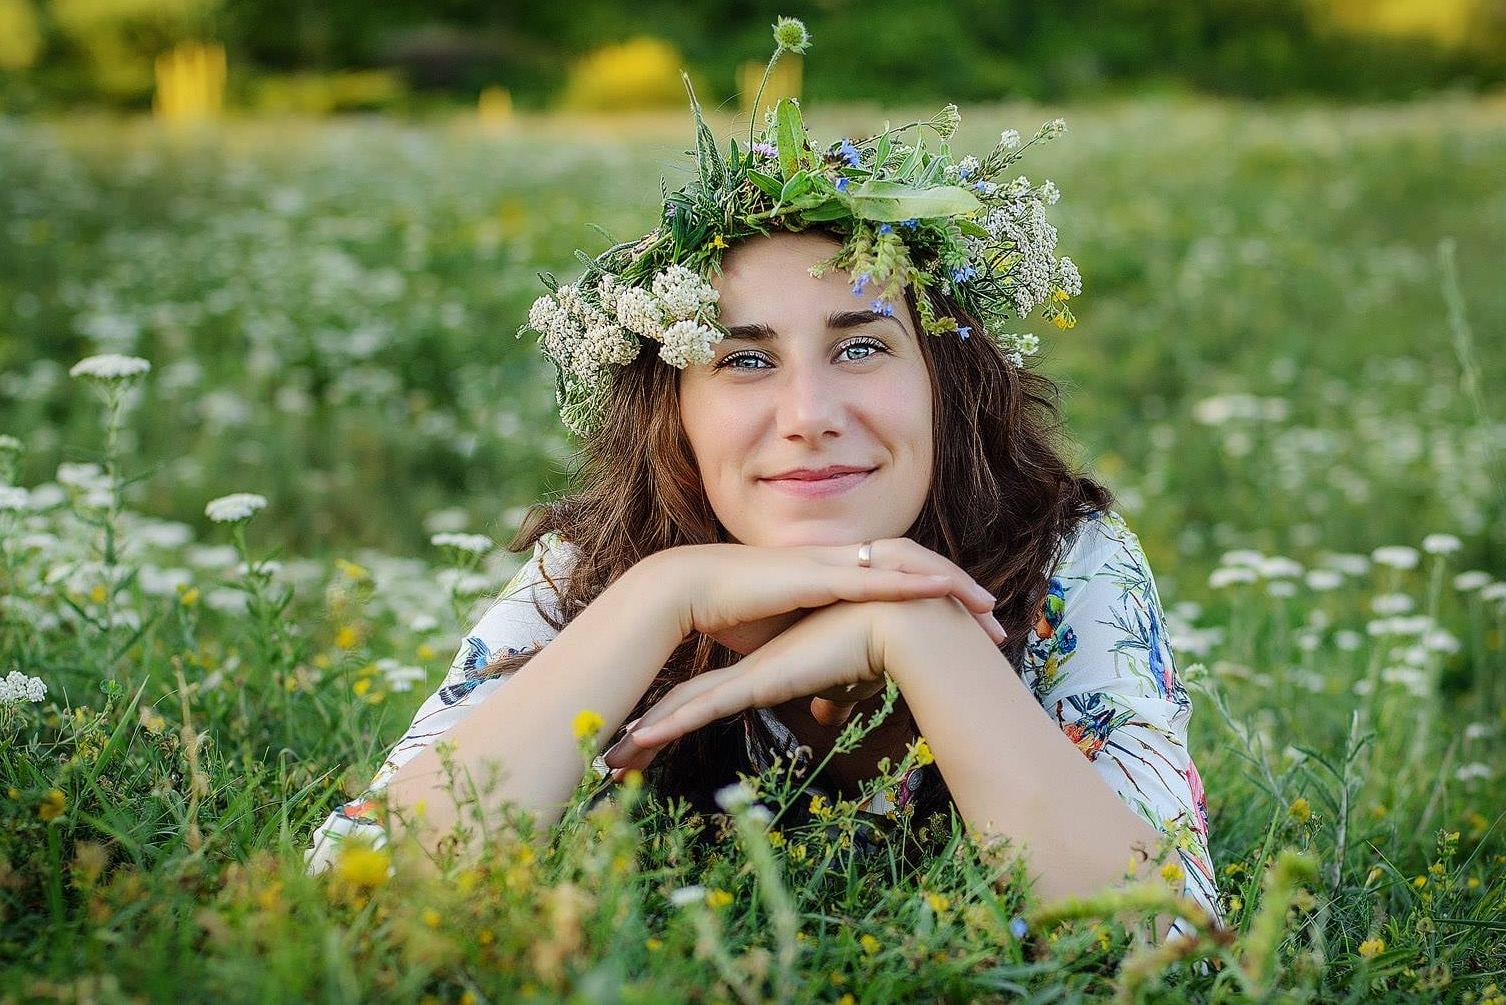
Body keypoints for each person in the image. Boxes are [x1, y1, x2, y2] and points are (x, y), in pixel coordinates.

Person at [307, 21, 1218, 930]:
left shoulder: (1065, 559)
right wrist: (667, 591)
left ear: (946, 386)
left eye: (861, 346)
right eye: (744, 362)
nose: (809, 413)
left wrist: (924, 632)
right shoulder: (598, 569)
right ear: (676, 414)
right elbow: (358, 894)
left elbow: (1163, 942)